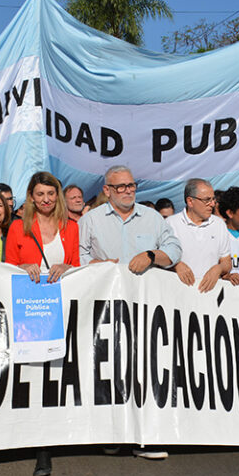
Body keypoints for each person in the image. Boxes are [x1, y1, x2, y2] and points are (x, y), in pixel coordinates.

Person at [78, 165, 180, 461]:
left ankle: (146, 438)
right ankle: (112, 434)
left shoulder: (151, 218)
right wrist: (99, 265)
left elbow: (174, 248)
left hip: (145, 308)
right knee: (109, 370)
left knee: (146, 370)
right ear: (107, 190)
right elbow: (81, 258)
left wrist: (151, 256)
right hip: (106, 307)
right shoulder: (90, 220)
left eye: (131, 185)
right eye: (120, 186)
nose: (127, 191)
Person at [4, 172, 79, 476]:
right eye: (40, 194)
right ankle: (36, 444)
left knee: (57, 375)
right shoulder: (17, 227)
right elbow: (5, 267)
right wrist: (22, 268)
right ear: (31, 197)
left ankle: (48, 442)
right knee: (31, 375)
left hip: (60, 308)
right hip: (29, 309)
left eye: (51, 193)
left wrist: (68, 266)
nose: (46, 199)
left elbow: (79, 264)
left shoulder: (71, 227)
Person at [167, 179, 231, 292]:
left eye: (213, 199)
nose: (212, 204)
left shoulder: (219, 224)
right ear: (190, 201)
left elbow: (226, 262)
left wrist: (218, 268)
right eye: (207, 200)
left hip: (209, 295)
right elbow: (159, 259)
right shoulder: (170, 224)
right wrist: (176, 265)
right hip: (177, 295)